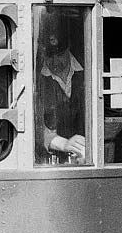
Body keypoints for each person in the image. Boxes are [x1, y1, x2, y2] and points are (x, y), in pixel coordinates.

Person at [36, 19, 88, 164]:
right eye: (49, 56)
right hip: (50, 159)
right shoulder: (36, 80)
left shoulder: (90, 69)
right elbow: (33, 124)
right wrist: (61, 143)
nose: (54, 62)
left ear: (68, 47)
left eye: (59, 55)